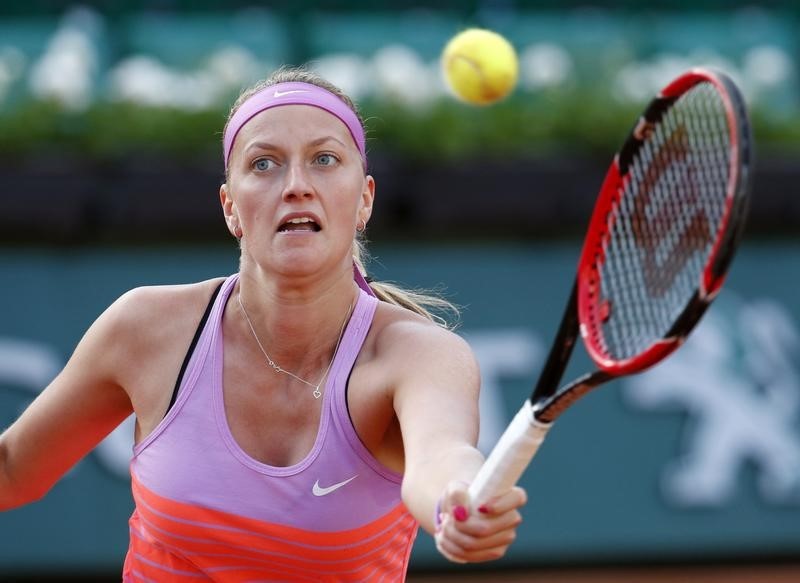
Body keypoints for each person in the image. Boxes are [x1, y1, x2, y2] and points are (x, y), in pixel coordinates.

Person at [0, 65, 527, 581]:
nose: (296, 185)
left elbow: (442, 458)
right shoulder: (143, 329)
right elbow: (13, 469)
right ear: (231, 208)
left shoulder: (419, 355)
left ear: (364, 198)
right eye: (264, 164)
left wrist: (455, 499)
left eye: (324, 159)